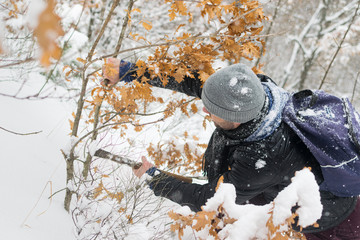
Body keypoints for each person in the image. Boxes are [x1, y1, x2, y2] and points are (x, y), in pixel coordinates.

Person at [103, 58, 360, 239]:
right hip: (295, 184)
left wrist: (155, 178)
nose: (205, 109)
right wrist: (128, 71)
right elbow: (194, 83)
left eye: (211, 110)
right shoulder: (248, 93)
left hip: (336, 218)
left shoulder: (264, 155)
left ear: (235, 119)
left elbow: (212, 200)